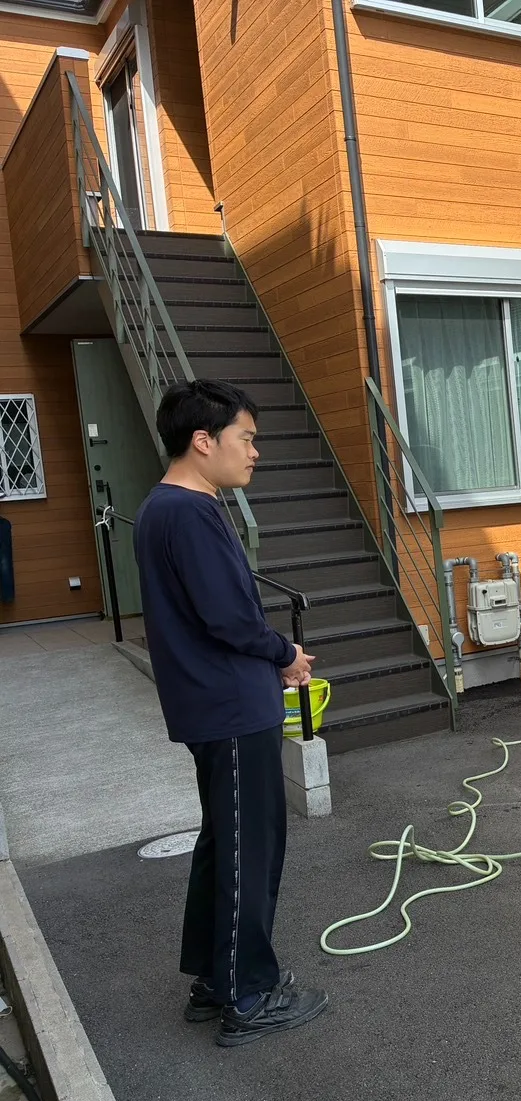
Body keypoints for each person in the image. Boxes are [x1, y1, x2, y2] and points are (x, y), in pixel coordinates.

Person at [133, 380, 328, 1048]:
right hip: (230, 708)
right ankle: (248, 994)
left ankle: (216, 981)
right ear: (203, 440)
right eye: (246, 438)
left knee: (225, 842)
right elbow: (228, 617)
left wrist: (272, 656)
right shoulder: (187, 513)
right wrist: (284, 653)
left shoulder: (167, 508)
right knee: (250, 849)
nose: (254, 452)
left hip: (213, 704)